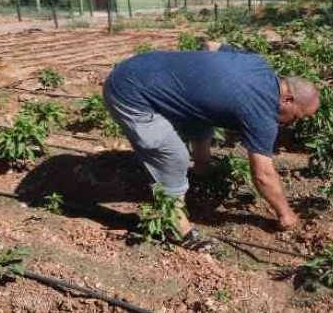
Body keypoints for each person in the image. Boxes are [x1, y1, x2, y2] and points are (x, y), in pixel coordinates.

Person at [103, 48, 320, 250]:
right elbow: (263, 175)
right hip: (129, 92)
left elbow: (213, 45)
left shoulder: (259, 64)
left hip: (141, 65)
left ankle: (202, 167)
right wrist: (286, 215)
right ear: (287, 99)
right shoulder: (262, 111)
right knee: (173, 155)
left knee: (205, 111)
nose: (292, 123)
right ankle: (176, 225)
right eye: (297, 116)